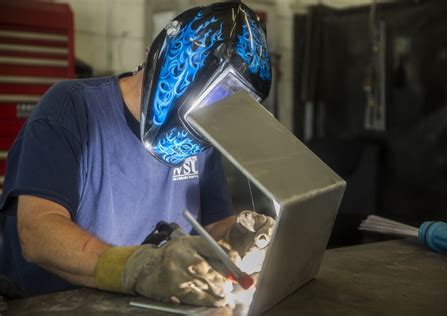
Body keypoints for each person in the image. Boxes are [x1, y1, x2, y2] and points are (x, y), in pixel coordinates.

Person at [0, 2, 275, 307]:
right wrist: (133, 267)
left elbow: (213, 223)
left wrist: (238, 237)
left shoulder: (200, 136)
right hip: (56, 306)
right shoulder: (69, 109)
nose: (205, 121)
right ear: (175, 67)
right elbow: (37, 234)